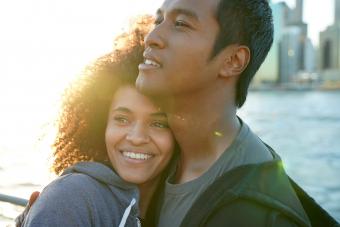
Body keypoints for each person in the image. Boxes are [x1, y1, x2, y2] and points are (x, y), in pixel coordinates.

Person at [136, 0, 339, 226]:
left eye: (181, 23)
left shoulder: (254, 215)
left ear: (233, 60)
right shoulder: (148, 153)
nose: (151, 36)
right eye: (158, 20)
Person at [21, 16, 176, 227]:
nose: (137, 138)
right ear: (101, 125)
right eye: (122, 119)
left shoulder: (183, 206)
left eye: (158, 123)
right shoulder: (71, 198)